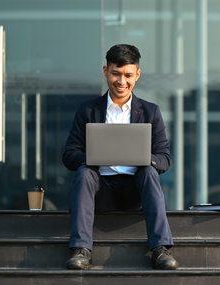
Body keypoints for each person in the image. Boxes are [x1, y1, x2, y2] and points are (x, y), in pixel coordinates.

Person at [62, 44, 178, 270]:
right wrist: (92, 157)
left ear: (137, 75)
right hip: (99, 191)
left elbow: (164, 157)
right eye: (116, 73)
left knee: (149, 171)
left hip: (135, 191)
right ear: (106, 71)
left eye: (128, 75)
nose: (121, 81)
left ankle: (160, 249)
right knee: (85, 172)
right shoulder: (87, 111)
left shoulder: (150, 111)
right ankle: (81, 250)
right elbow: (69, 155)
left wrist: (147, 160)